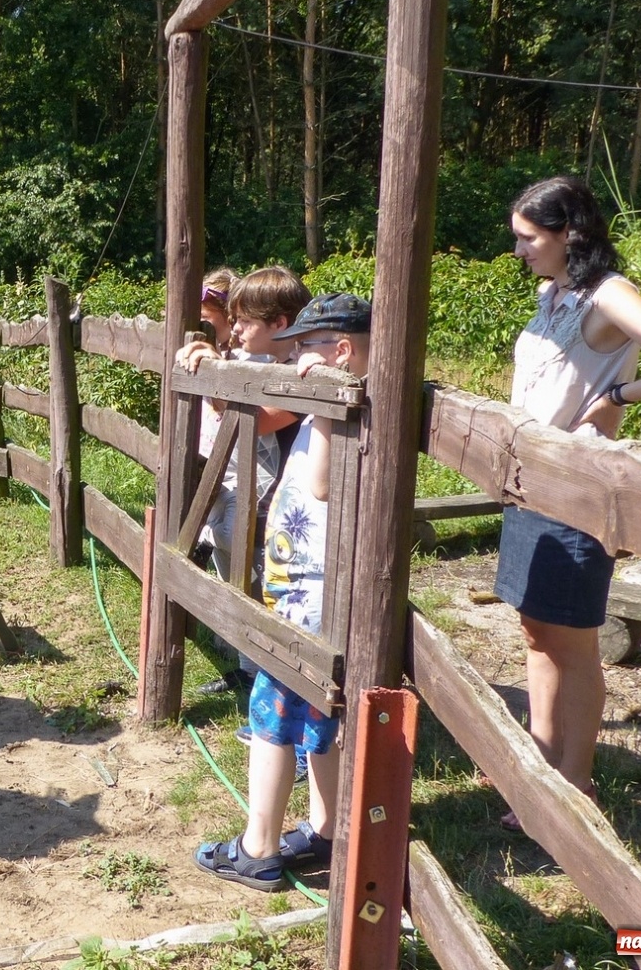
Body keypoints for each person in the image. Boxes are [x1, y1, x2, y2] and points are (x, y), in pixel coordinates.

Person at [495, 176, 641, 828]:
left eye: (529, 238)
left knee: (574, 639)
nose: (520, 250)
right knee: (535, 628)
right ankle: (537, 763)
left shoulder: (609, 296)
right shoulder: (552, 291)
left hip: (575, 489)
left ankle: (575, 779)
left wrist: (620, 398)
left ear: (572, 234)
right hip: (527, 478)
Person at [194, 292, 370, 891]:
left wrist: (322, 400)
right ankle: (325, 827)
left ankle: (258, 847)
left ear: (340, 352)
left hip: (309, 594)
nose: (296, 362)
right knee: (321, 710)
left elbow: (321, 484)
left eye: (306, 350)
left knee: (271, 713)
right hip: (316, 587)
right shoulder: (349, 394)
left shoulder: (339, 403)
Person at [175, 266, 311, 695]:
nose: (234, 329)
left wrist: (219, 374)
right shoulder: (269, 362)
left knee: (264, 578)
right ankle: (250, 665)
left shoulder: (305, 372)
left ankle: (274, 670)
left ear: (280, 323)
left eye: (244, 321)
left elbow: (259, 420)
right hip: (262, 490)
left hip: (289, 504)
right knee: (232, 556)